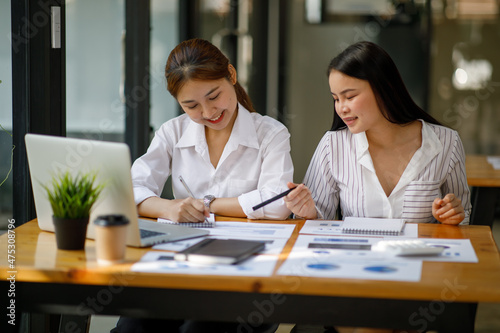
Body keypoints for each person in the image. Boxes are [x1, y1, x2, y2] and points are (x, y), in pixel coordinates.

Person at [284, 41, 472, 333]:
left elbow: (464, 220)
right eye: (335, 98)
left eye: (350, 96)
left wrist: (454, 216)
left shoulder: (446, 143)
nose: (341, 108)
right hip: (352, 276)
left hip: (419, 276)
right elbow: (310, 234)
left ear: (383, 89)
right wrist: (309, 212)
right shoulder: (333, 145)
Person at [112, 38, 291, 332]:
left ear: (231, 76)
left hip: (244, 272)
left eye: (214, 96)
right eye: (191, 105)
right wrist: (170, 207)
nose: (208, 112)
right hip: (180, 266)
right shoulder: (173, 132)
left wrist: (207, 205)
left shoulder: (270, 133)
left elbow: (277, 204)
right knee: (133, 327)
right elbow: (129, 187)